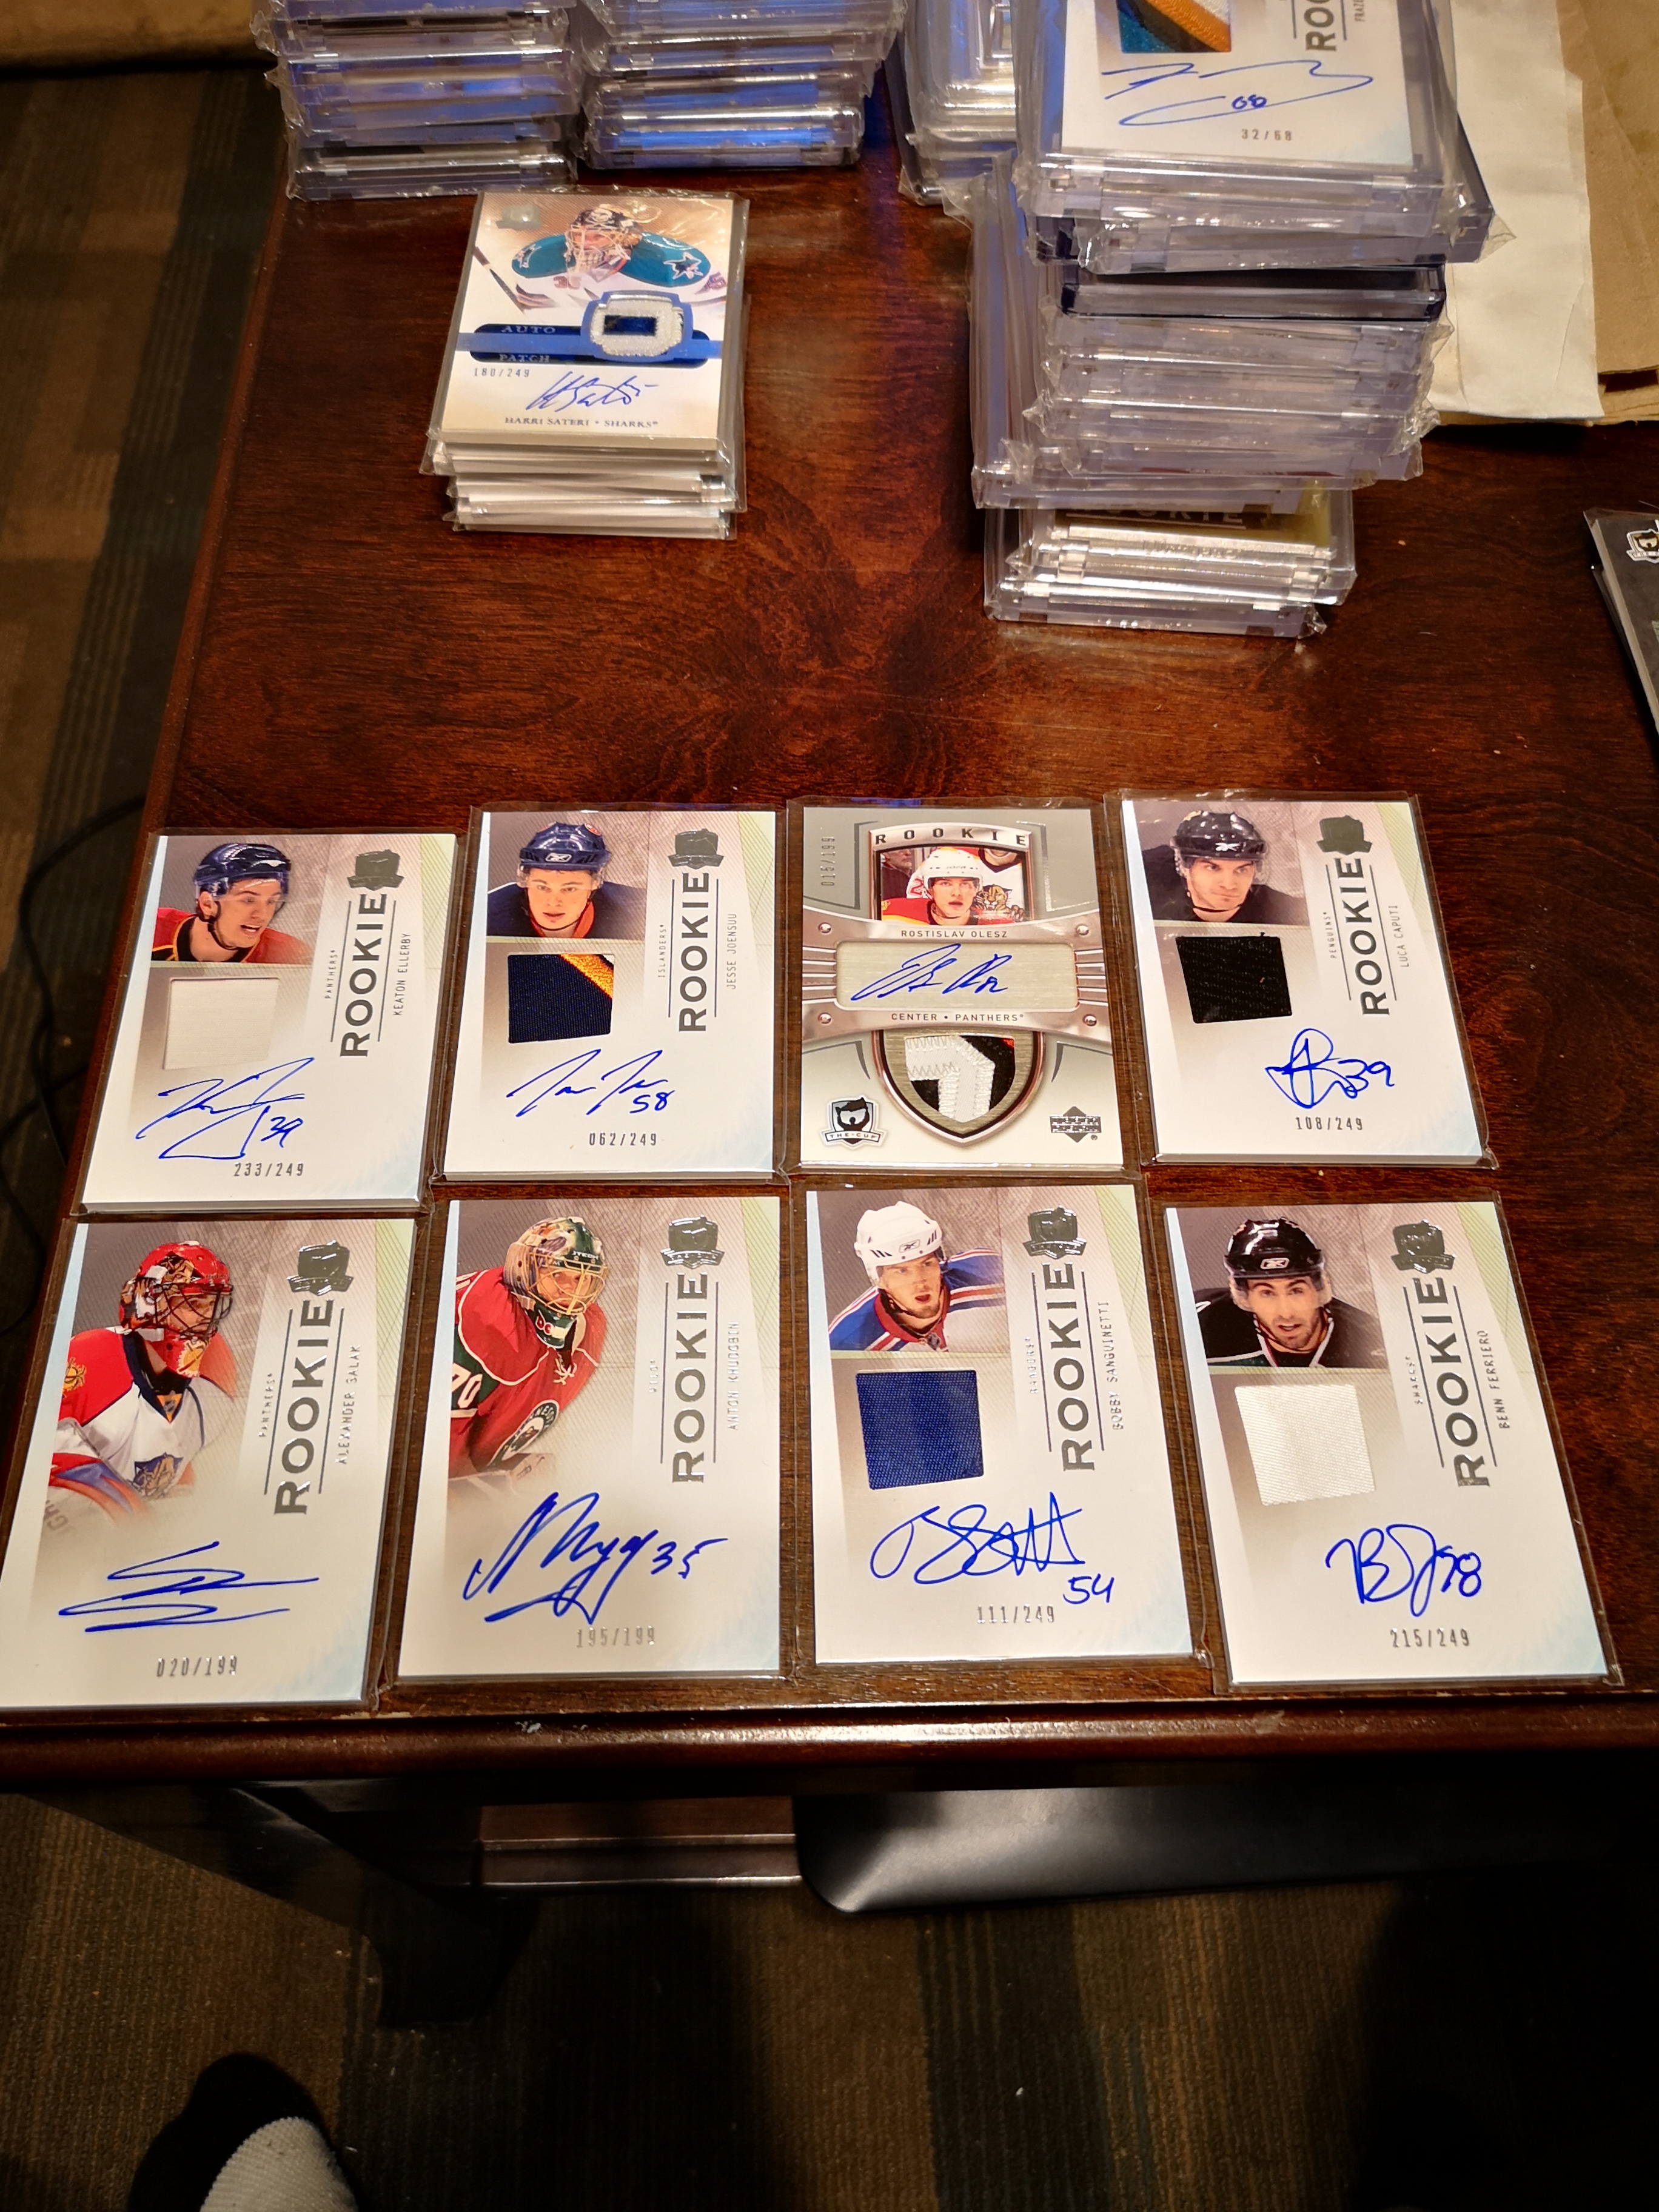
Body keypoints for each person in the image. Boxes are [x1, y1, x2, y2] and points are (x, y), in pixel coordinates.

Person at [51, 1242, 237, 1517]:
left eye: (212, 1304)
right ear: (150, 1303)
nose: (206, 1318)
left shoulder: (216, 1369)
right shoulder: (89, 1356)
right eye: (195, 1303)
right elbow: (39, 1458)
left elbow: (177, 1463)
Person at [450, 1216, 609, 1476]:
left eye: (582, 1279)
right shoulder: (485, 1319)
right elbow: (439, 1456)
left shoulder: (590, 1327)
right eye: (557, 1274)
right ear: (523, 1267)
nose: (571, 1291)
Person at [1196, 1217, 1386, 1370]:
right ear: (1245, 1298)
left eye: (1296, 1291)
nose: (1286, 1314)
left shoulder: (1373, 1342)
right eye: (1266, 1294)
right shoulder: (1201, 1328)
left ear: (1319, 1289)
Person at [830, 1201, 1004, 1352]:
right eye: (902, 1271)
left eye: (927, 1264)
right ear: (878, 1279)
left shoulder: (987, 1272)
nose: (920, 1282)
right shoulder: (846, 1341)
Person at [506, 203, 725, 309]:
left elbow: (711, 311)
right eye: (578, 235)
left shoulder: (669, 267)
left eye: (598, 236)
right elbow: (538, 307)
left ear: (626, 239)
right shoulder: (539, 260)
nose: (584, 244)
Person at [151, 842, 307, 965]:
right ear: (208, 904)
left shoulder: (291, 954)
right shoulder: (150, 928)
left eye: (271, 901)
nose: (263, 915)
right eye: (249, 900)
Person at [486, 822, 645, 940]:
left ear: (595, 883)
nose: (553, 902)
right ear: (526, 881)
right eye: (542, 887)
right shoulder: (486, 915)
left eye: (569, 889)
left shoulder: (640, 913)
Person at [1141, 809, 1304, 925]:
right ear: (1185, 867)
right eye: (1213, 868)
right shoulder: (1145, 894)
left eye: (1242, 870)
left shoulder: (1286, 912)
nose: (1229, 885)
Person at [880, 846, 1024, 927]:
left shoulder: (1003, 926)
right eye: (945, 884)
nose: (956, 893)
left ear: (977, 889)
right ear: (930, 889)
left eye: (965, 884)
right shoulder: (892, 913)